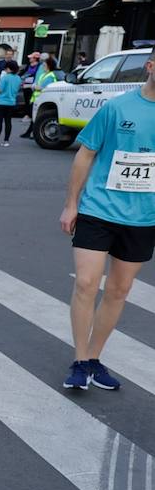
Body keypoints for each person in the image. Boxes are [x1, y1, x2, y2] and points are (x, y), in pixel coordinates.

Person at [59, 45, 155, 392]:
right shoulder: (117, 107)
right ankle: (80, 359)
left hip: (144, 217)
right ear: (150, 66)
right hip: (98, 209)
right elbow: (85, 155)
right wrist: (72, 204)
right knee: (86, 282)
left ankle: (95, 358)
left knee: (119, 289)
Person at [0, 60, 22, 147]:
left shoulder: (5, 77)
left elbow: (0, 89)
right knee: (8, 122)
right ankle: (6, 141)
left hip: (1, 101)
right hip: (11, 102)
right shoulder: (18, 78)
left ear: (9, 68)